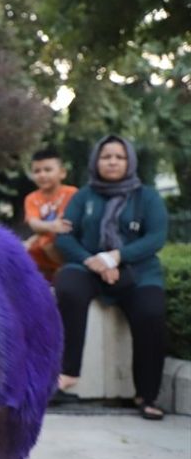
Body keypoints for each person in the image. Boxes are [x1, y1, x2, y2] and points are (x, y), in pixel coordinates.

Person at [53, 135, 169, 420]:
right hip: (90, 267)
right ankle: (67, 373)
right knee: (68, 285)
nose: (113, 162)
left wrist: (116, 256)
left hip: (138, 271)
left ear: (129, 161)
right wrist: (93, 261)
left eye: (119, 157)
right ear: (96, 162)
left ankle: (147, 395)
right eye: (106, 157)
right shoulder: (84, 196)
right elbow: (64, 237)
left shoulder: (148, 196)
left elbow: (156, 237)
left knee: (151, 312)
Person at [24, 148, 78, 281]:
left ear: (62, 173)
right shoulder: (32, 198)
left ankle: (66, 268)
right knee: (26, 248)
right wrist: (51, 226)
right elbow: (34, 223)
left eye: (48, 170)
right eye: (37, 171)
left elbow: (70, 221)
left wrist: (46, 230)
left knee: (47, 241)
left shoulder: (72, 193)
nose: (42, 175)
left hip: (65, 242)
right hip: (41, 251)